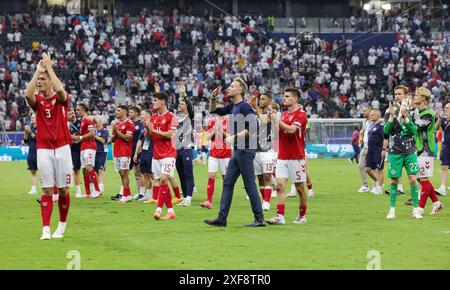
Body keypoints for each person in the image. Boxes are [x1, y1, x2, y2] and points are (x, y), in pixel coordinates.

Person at [204, 78, 265, 227]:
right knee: (228, 184)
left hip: (245, 150)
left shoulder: (245, 107)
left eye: (232, 86)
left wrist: (234, 136)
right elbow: (213, 110)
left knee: (249, 184)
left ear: (239, 90)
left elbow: (253, 128)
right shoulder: (233, 106)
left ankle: (260, 218)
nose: (228, 88)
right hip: (238, 151)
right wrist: (213, 98)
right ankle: (222, 218)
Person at [25, 52, 72, 240]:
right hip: (43, 149)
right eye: (39, 80)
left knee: (62, 189)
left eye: (43, 80)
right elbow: (28, 94)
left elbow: (60, 90)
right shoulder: (38, 102)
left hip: (62, 148)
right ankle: (45, 228)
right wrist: (38, 71)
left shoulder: (62, 99)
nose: (40, 82)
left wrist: (49, 67)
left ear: (51, 81)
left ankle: (61, 224)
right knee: (47, 189)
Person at [266, 87, 308, 225]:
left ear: (295, 99)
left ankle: (302, 216)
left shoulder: (301, 114)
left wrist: (276, 119)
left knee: (300, 188)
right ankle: (280, 216)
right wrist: (272, 121)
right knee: (279, 185)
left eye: (287, 96)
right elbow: (277, 133)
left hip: (296, 156)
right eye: (284, 96)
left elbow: (291, 130)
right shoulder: (282, 115)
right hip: (282, 156)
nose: (284, 98)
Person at [384, 85, 422, 219]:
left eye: (399, 94)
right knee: (394, 181)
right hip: (395, 151)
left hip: (410, 150)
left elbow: (414, 131)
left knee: (412, 179)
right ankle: (392, 210)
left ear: (406, 96)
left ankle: (416, 210)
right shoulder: (390, 110)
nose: (397, 96)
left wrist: (406, 118)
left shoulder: (413, 111)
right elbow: (386, 131)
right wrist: (391, 116)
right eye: (395, 94)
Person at [412, 88, 444, 215]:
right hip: (419, 148)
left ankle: (420, 209)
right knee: (420, 178)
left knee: (423, 178)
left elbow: (417, 126)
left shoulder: (429, 113)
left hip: (426, 149)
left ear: (423, 98)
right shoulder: (419, 111)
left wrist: (410, 113)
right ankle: (436, 203)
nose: (414, 97)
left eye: (416, 95)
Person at [147, 92, 178, 220]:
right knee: (161, 182)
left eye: (155, 100)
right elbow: (151, 137)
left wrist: (154, 130)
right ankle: (171, 211)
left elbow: (171, 134)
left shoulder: (172, 117)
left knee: (164, 179)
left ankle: (158, 210)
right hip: (156, 154)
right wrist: (148, 129)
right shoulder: (153, 118)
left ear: (163, 102)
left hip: (169, 153)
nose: (153, 102)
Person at [200, 101, 232, 209]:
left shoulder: (230, 122)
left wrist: (221, 130)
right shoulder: (212, 121)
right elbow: (207, 138)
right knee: (211, 176)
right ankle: (209, 201)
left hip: (226, 154)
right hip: (214, 153)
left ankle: (226, 200)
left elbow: (231, 138)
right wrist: (215, 129)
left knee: (226, 179)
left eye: (220, 108)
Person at [249, 93, 275, 211]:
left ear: (269, 102)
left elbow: (264, 122)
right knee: (259, 178)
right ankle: (264, 199)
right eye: (260, 99)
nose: (260, 101)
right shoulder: (255, 115)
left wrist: (256, 107)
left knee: (267, 175)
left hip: (267, 151)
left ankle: (266, 201)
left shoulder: (271, 113)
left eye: (264, 99)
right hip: (255, 150)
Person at [175, 82, 195, 207]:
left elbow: (190, 106)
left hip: (187, 147)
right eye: (179, 103)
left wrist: (183, 93)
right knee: (181, 173)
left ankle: (189, 197)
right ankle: (184, 196)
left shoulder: (189, 116)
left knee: (188, 172)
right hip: (177, 148)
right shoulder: (175, 117)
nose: (179, 105)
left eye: (182, 104)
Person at [74, 103, 100, 198]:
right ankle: (88, 193)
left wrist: (80, 137)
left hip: (90, 146)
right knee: (84, 170)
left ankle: (97, 190)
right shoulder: (82, 121)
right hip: (83, 147)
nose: (76, 112)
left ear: (83, 110)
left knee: (89, 167)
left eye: (77, 110)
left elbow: (92, 133)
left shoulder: (88, 120)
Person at [111, 105, 135, 203]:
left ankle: (125, 195)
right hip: (116, 151)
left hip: (125, 152)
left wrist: (117, 131)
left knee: (124, 173)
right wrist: (115, 132)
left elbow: (127, 138)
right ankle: (127, 194)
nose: (116, 112)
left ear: (124, 112)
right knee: (121, 173)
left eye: (118, 110)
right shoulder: (116, 124)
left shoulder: (130, 124)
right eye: (116, 110)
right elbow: (112, 139)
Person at [134, 109, 153, 202]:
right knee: (145, 173)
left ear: (148, 115)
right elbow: (140, 140)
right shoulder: (142, 126)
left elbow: (151, 137)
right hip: (144, 152)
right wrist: (136, 153)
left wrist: (148, 127)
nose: (140, 116)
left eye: (142, 114)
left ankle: (158, 193)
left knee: (153, 174)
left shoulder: (152, 124)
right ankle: (148, 194)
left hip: (151, 151)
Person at [364, 110, 384, 195]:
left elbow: (385, 138)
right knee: (367, 169)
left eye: (372, 115)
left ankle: (379, 187)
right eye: (370, 115)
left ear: (378, 116)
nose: (370, 116)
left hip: (378, 151)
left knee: (380, 169)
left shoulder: (381, 126)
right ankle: (377, 183)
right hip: (370, 150)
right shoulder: (372, 126)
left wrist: (384, 149)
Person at [128, 106, 146, 200]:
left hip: (138, 150)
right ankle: (139, 191)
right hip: (131, 150)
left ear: (136, 113)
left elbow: (143, 136)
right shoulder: (130, 123)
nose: (129, 114)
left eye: (131, 112)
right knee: (136, 172)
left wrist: (141, 148)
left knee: (140, 172)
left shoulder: (141, 123)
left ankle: (143, 193)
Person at [357, 106, 373, 193]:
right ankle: (365, 185)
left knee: (373, 167)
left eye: (364, 111)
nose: (363, 112)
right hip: (365, 146)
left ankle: (377, 185)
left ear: (370, 111)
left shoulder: (375, 120)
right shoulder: (365, 121)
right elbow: (363, 132)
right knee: (360, 165)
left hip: (373, 147)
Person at [436, 103, 450, 196]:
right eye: (446, 108)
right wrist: (439, 118)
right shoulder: (444, 120)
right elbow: (436, 127)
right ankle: (442, 188)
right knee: (444, 166)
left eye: (448, 108)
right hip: (446, 147)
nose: (446, 109)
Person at [68, 109, 82, 197]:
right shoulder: (67, 125)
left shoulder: (81, 122)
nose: (72, 115)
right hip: (74, 149)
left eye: (73, 113)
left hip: (84, 148)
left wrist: (78, 137)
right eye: (70, 114)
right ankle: (78, 191)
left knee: (88, 169)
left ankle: (92, 190)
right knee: (76, 170)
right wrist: (71, 137)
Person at [93, 116, 109, 194]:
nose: (94, 122)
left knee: (101, 169)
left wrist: (94, 136)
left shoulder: (105, 131)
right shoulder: (93, 130)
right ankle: (96, 188)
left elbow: (103, 140)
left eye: (96, 121)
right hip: (93, 152)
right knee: (95, 170)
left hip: (102, 152)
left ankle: (101, 187)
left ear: (100, 122)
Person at [23, 114, 38, 195]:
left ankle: (46, 188)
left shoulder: (41, 128)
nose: (31, 119)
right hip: (31, 153)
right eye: (31, 117)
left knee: (43, 172)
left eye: (33, 117)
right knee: (32, 171)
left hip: (39, 153)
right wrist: (25, 133)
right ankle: (33, 189)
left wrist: (30, 132)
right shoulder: (30, 128)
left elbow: (37, 138)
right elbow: (25, 141)